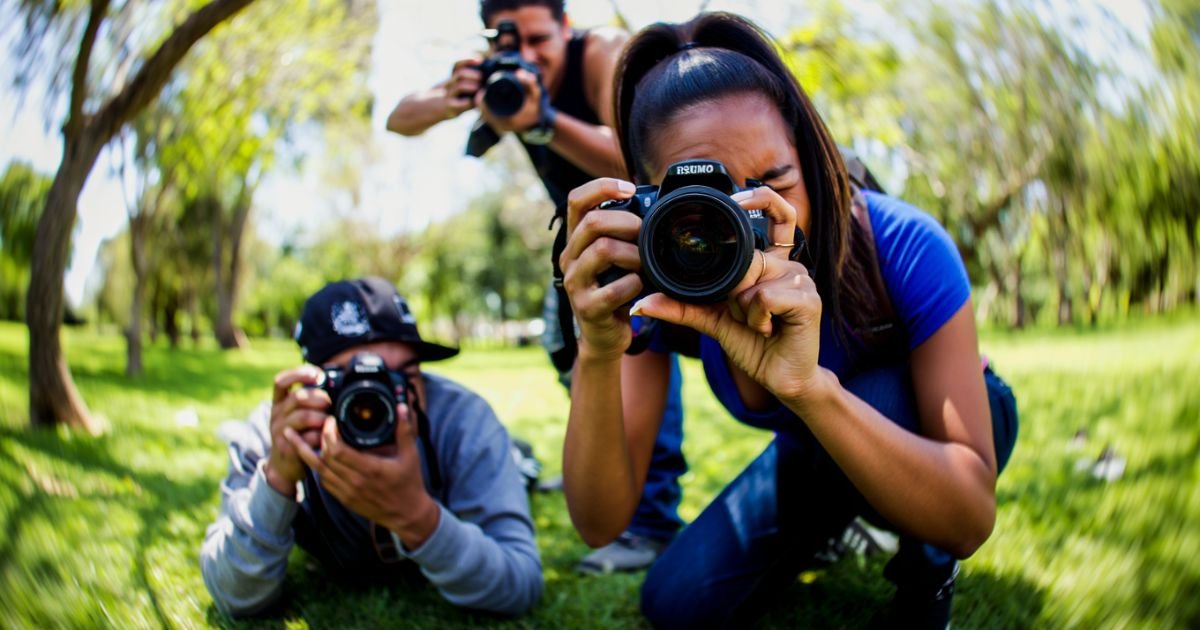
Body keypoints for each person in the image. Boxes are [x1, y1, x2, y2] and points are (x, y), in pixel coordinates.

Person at [559, 12, 1019, 629]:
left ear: (814, 159)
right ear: (646, 203)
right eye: (705, 203)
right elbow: (600, 521)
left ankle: (923, 568)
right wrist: (596, 351)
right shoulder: (655, 284)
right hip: (809, 456)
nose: (752, 217)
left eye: (773, 181)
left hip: (934, 429)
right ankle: (832, 520)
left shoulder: (902, 243)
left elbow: (970, 517)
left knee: (881, 392)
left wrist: (808, 388)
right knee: (674, 604)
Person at [387, 0, 687, 573]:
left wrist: (543, 122)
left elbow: (641, 161)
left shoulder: (600, 53)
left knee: (639, 358)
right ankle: (600, 468)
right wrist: (452, 96)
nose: (525, 54)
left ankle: (650, 520)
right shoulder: (497, 68)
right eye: (509, 40)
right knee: (573, 362)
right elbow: (397, 120)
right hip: (577, 236)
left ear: (566, 27)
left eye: (539, 38)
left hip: (644, 229)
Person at [200, 277, 542, 617]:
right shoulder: (277, 433)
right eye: (353, 383)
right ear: (312, 385)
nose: (377, 404)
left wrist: (416, 516)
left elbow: (520, 584)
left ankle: (516, 457)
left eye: (403, 377)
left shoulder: (463, 420)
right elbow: (233, 596)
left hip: (473, 467)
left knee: (516, 468)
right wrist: (276, 480)